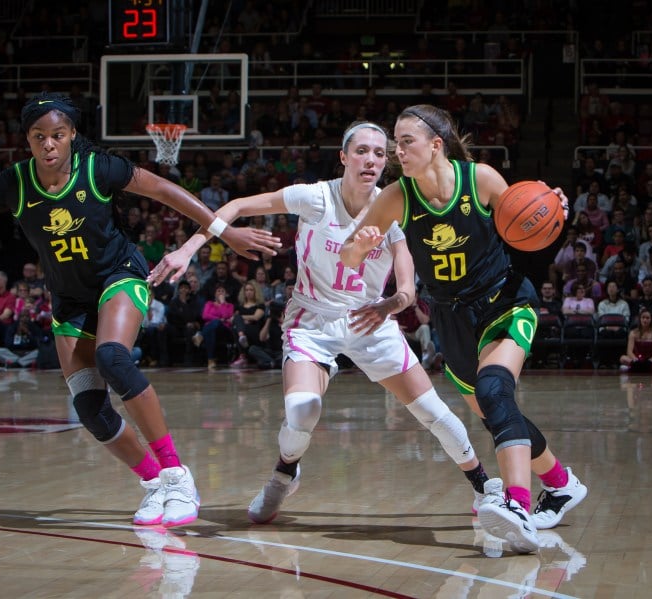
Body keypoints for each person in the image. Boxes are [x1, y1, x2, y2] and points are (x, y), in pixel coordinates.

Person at [0, 92, 279, 528]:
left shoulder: (97, 167)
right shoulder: (14, 184)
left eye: (57, 135)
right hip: (69, 301)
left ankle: (177, 475)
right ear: (28, 141)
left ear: (72, 134)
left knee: (112, 357)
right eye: (39, 137)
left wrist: (224, 232)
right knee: (91, 411)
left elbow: (167, 191)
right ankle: (154, 485)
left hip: (119, 275)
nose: (49, 144)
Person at [151, 121, 494, 527]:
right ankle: (284, 473)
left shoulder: (394, 205)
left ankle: (486, 487)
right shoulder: (315, 197)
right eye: (362, 151)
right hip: (312, 319)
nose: (371, 159)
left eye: (380, 153)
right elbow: (238, 205)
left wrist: (390, 305)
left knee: (433, 412)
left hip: (371, 319)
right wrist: (190, 249)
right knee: (302, 409)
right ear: (344, 157)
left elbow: (406, 290)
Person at [339, 105, 588, 554]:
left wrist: (552, 207)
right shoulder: (397, 196)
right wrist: (358, 248)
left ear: (436, 144)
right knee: (495, 412)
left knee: (495, 390)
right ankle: (560, 482)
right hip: (451, 318)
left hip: (503, 300)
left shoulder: (481, 179)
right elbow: (348, 258)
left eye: (406, 141)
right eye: (396, 142)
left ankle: (517, 505)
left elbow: (527, 215)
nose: (398, 150)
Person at [620, 308, 652, 373]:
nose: (645, 320)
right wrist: (635, 360)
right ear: (639, 319)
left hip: (651, 360)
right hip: (636, 360)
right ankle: (642, 367)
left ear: (651, 320)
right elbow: (629, 351)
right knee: (623, 358)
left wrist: (650, 361)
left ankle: (636, 368)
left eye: (647, 318)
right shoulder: (633, 333)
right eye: (643, 317)